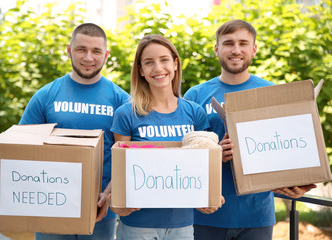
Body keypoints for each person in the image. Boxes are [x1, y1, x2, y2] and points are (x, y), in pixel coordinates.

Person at [184, 19, 316, 240]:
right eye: (228, 43)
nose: (236, 50)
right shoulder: (195, 96)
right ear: (217, 49)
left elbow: (287, 149)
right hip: (206, 215)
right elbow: (184, 153)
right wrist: (213, 154)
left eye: (243, 43)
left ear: (254, 49)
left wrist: (298, 183)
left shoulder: (271, 92)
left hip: (257, 217)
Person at [19, 23, 130, 240]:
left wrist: (109, 195)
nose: (88, 57)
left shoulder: (120, 100)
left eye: (96, 51)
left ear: (106, 55)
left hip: (99, 210)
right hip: (50, 205)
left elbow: (128, 154)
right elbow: (23, 148)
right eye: (81, 49)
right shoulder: (46, 95)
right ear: (69, 50)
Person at [109, 34, 224, 240]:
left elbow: (203, 167)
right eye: (149, 62)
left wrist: (210, 195)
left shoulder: (195, 112)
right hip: (138, 225)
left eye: (164, 60)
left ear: (176, 64)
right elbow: (120, 171)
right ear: (141, 70)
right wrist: (118, 200)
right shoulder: (126, 114)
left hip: (182, 224)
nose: (158, 68)